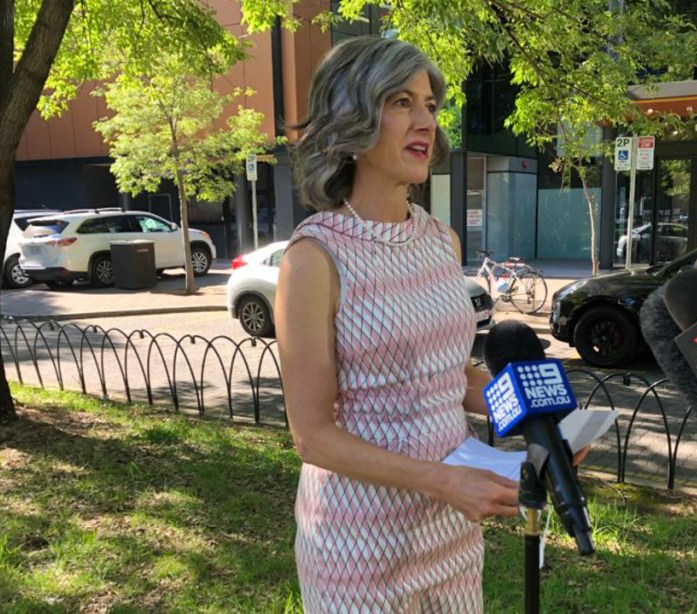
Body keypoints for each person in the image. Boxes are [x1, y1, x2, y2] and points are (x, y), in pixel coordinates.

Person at [274, 36, 520, 612]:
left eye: (430, 104)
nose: (424, 121)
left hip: (450, 534)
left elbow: (452, 375)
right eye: (401, 101)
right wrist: (444, 480)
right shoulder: (313, 259)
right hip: (356, 547)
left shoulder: (441, 240)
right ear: (352, 116)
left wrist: (541, 420)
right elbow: (311, 436)